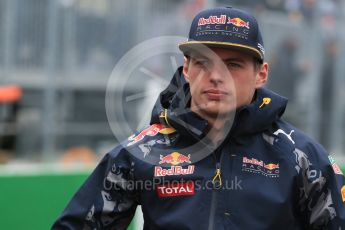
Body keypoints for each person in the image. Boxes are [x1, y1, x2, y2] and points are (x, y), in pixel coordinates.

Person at [52, 7, 345, 229]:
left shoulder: (301, 157)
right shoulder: (143, 151)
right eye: (204, 62)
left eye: (233, 65)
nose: (216, 76)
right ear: (187, 69)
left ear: (261, 74)